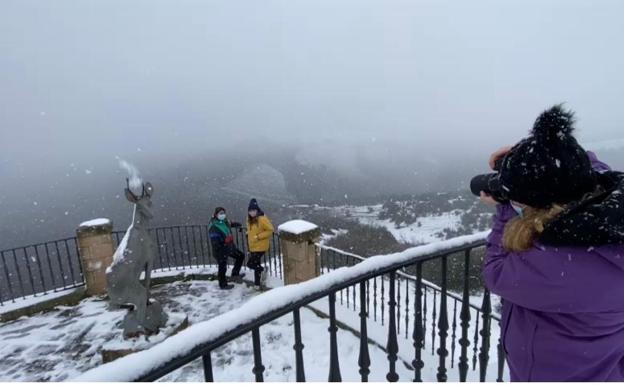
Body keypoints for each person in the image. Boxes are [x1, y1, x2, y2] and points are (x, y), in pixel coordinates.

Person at [479, 104, 624, 381]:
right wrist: (548, 152)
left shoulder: (555, 264)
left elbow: (494, 269)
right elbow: (585, 174)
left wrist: (504, 209)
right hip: (606, 369)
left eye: (518, 201)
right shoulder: (610, 221)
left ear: (535, 206)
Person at [208, 207, 245, 290]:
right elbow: (214, 241)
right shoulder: (213, 226)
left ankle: (235, 274)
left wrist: (239, 225)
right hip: (220, 250)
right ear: (216, 214)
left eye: (223, 213)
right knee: (222, 267)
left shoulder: (224, 221)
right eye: (220, 213)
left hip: (229, 247)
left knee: (240, 256)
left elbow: (231, 224)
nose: (222, 215)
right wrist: (225, 241)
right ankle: (223, 284)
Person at [245, 198, 274, 287]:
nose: (252, 212)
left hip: (261, 246)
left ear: (257, 210)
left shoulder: (262, 218)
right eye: (250, 210)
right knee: (256, 264)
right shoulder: (249, 219)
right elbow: (250, 230)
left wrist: (258, 237)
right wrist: (248, 234)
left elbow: (270, 230)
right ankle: (257, 284)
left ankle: (262, 270)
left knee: (250, 264)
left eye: (254, 210)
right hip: (253, 246)